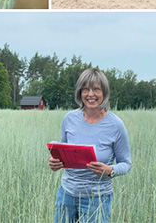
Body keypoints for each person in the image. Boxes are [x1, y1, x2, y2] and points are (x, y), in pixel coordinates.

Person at [49, 68, 131, 223]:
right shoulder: (69, 119)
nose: (90, 94)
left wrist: (109, 170)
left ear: (104, 93)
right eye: (85, 89)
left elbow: (126, 164)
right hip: (66, 195)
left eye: (96, 89)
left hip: (97, 199)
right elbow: (63, 154)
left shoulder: (116, 125)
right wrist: (56, 163)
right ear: (80, 93)